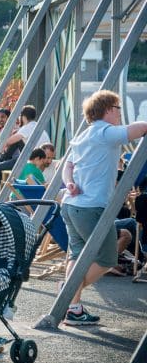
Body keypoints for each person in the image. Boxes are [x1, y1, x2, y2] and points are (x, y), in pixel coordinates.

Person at [61, 89, 147, 325]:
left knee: (78, 255)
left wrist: (69, 183)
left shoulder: (83, 135)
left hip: (71, 206)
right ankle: (68, 293)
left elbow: (66, 166)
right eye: (118, 109)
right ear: (108, 110)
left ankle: (73, 307)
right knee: (108, 258)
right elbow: (140, 129)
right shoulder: (105, 132)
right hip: (92, 207)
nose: (120, 114)